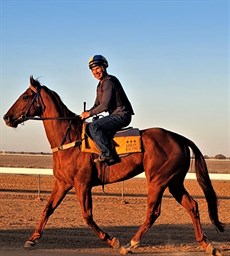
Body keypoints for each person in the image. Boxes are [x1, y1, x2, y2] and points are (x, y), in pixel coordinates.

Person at [80, 55, 134, 165]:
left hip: (122, 115)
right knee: (92, 125)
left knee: (94, 126)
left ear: (104, 67)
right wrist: (84, 115)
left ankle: (108, 153)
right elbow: (96, 105)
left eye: (97, 68)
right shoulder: (100, 84)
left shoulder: (109, 82)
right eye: (92, 70)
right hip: (115, 115)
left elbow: (104, 105)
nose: (95, 72)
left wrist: (89, 113)